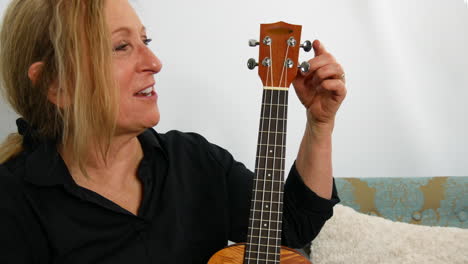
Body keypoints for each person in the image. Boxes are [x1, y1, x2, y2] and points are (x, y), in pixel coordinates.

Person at [0, 0, 346, 263]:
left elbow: (292, 226)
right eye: (122, 47)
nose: (154, 62)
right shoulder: (14, 201)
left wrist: (320, 125)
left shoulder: (194, 159)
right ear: (58, 85)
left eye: (146, 39)